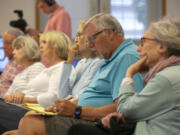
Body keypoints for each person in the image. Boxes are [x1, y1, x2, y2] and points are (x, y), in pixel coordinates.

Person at [12, 13, 144, 135]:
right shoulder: (109, 59)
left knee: (31, 123)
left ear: (109, 33)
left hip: (98, 124)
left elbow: (126, 109)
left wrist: (77, 110)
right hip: (86, 116)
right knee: (27, 120)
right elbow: (85, 95)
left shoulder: (126, 57)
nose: (90, 44)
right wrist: (66, 107)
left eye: (92, 38)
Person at [68, 18, 180, 135]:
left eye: (143, 42)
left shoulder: (166, 78)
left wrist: (129, 73)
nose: (138, 48)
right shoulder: (169, 74)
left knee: (75, 130)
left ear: (162, 46)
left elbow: (125, 110)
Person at [0, 35, 45, 134]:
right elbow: (7, 95)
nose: (13, 52)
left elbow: (37, 94)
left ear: (29, 49)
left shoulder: (37, 67)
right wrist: (10, 97)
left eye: (17, 48)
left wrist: (17, 96)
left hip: (26, 112)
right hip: (14, 109)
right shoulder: (20, 74)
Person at [0, 29, 24, 96]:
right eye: (3, 42)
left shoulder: (21, 64)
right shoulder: (11, 61)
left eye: (7, 43)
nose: (3, 46)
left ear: (19, 44)